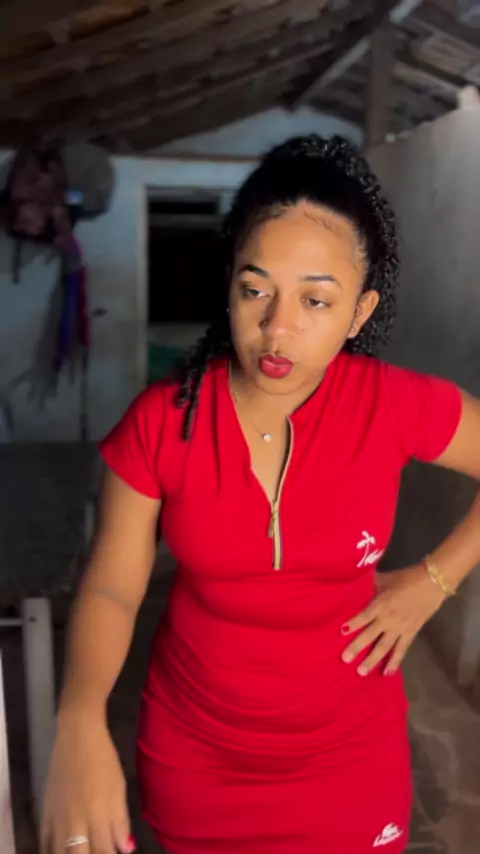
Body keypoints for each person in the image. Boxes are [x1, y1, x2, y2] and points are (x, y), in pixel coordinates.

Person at [42, 135, 480, 854]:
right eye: (255, 290)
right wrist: (80, 717)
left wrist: (435, 580)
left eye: (316, 300)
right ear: (229, 286)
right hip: (197, 753)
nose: (278, 327)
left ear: (360, 312)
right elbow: (114, 587)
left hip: (350, 752)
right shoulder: (164, 421)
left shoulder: (392, 406)